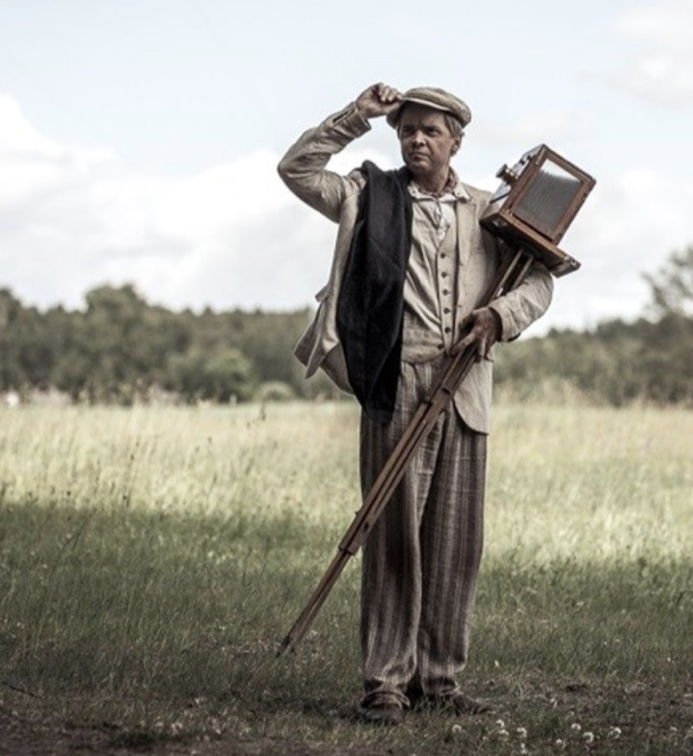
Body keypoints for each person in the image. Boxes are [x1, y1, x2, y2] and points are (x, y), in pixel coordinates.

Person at [278, 83, 553, 726]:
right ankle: (385, 682)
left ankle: (438, 679)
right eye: (407, 131)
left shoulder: (491, 211)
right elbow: (296, 169)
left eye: (431, 131)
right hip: (394, 382)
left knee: (456, 543)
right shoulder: (368, 195)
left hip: (466, 389)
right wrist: (356, 116)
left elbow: (541, 279)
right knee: (392, 535)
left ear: (457, 140)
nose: (417, 140)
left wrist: (500, 316)